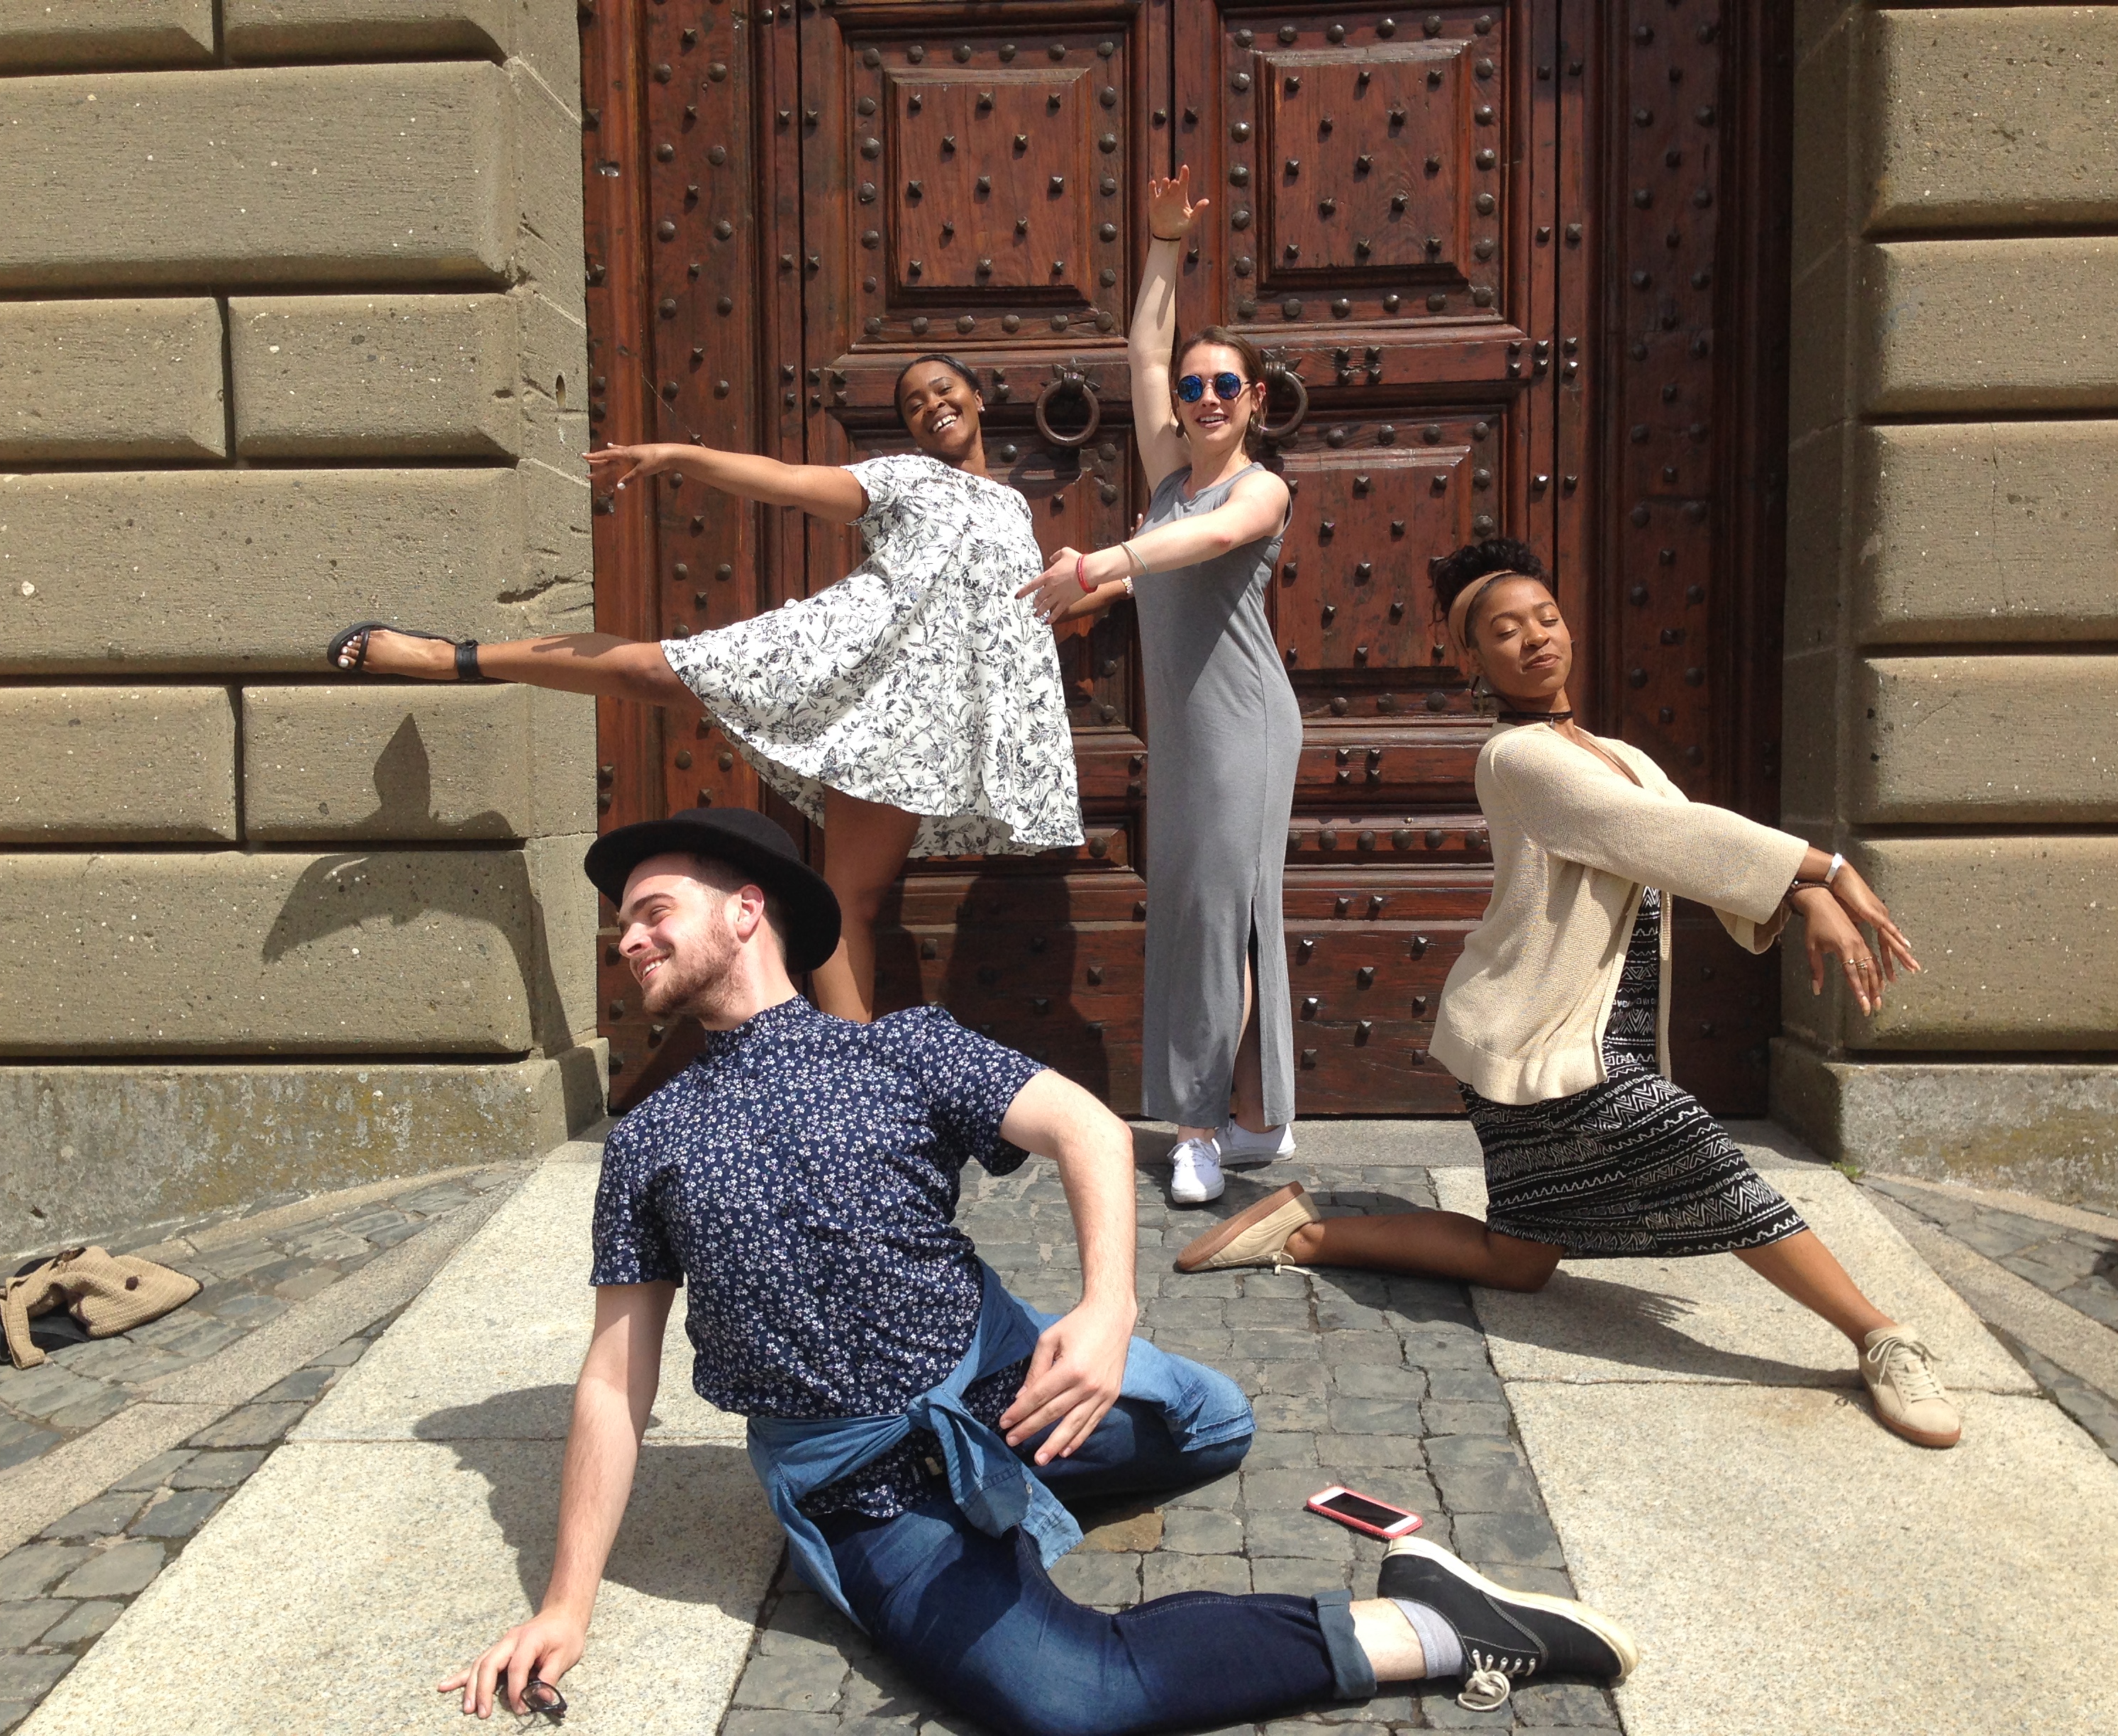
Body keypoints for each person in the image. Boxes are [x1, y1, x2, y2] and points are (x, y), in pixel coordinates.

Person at [438, 806, 1641, 1735]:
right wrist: (564, 1602)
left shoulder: (902, 1048)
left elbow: (1080, 1123)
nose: (629, 938)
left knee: (1216, 1423)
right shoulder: (649, 1132)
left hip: (1002, 1372)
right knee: (1073, 1699)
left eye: (651, 909)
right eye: (622, 926)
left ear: (748, 909)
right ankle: (1427, 1624)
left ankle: (1014, 1480)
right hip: (866, 1478)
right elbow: (613, 1377)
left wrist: (1106, 1310)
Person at [1175, 541, 1964, 1452]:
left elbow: (1684, 844)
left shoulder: (1615, 752)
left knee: (1516, 1260)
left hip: (1581, 1030)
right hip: (1538, 1037)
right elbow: (1641, 831)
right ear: (1473, 662)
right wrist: (1821, 867)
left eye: (1544, 619)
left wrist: (1809, 893)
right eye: (1503, 632)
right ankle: (1882, 1336)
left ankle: (1310, 1233)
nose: (1533, 640)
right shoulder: (1517, 759)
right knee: (1703, 1158)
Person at [328, 355, 1082, 1023]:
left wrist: (1131, 573)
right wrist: (679, 456)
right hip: (843, 653)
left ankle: (849, 1091)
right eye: (913, 403)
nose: (929, 407)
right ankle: (449, 657)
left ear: (979, 397)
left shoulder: (1018, 510)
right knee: (655, 671)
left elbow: (1030, 608)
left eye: (942, 390)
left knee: (853, 900)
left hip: (913, 726)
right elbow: (789, 484)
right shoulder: (905, 478)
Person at [1019, 167, 1299, 1208]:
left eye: (1228, 386)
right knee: (1211, 914)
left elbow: (1213, 541)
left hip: (1245, 726)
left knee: (1216, 915)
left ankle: (1197, 1130)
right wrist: (1163, 246)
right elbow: (1140, 351)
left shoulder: (1254, 488)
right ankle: (1261, 1115)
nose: (1209, 398)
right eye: (1196, 387)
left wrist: (1101, 566)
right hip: (1185, 729)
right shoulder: (1169, 474)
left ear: (1255, 401)